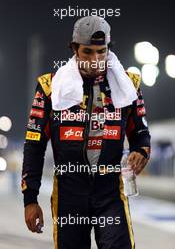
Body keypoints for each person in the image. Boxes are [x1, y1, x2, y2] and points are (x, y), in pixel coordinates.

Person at [21, 16, 151, 249]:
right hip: (69, 194)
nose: (95, 59)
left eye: (101, 52)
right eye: (87, 52)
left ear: (108, 49)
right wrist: (30, 199)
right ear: (74, 49)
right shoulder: (50, 87)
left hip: (110, 192)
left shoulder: (129, 85)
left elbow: (141, 133)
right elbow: (34, 144)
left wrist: (141, 150)